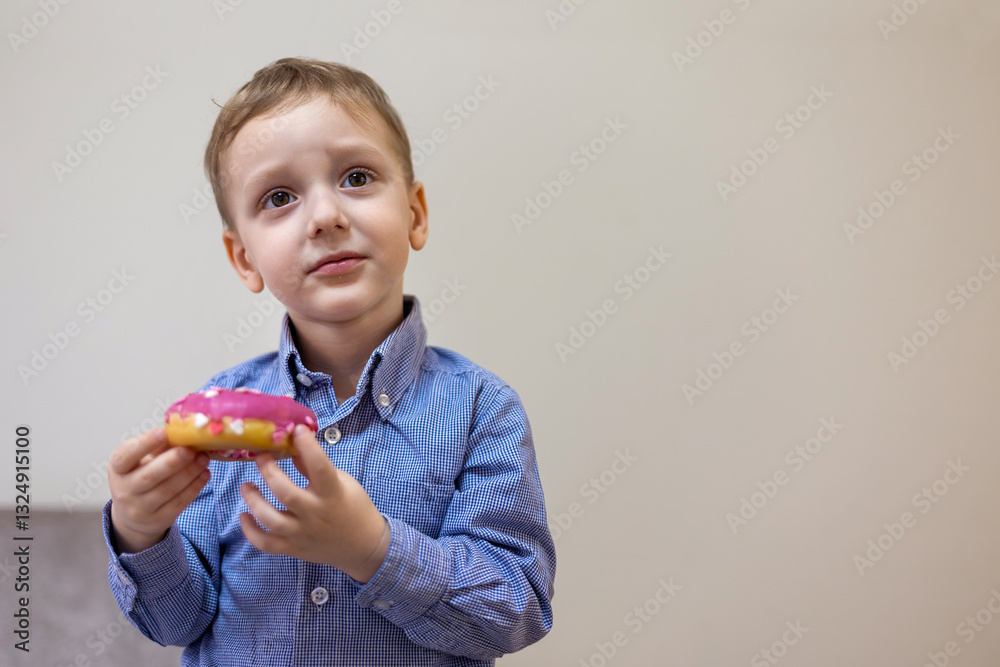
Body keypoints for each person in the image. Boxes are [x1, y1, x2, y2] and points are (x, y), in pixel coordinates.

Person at [102, 57, 555, 666]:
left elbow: (516, 611)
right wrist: (140, 532)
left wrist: (373, 550)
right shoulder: (219, 419)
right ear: (244, 259)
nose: (325, 217)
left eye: (357, 177)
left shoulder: (482, 410)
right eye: (279, 197)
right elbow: (178, 621)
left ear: (415, 214)